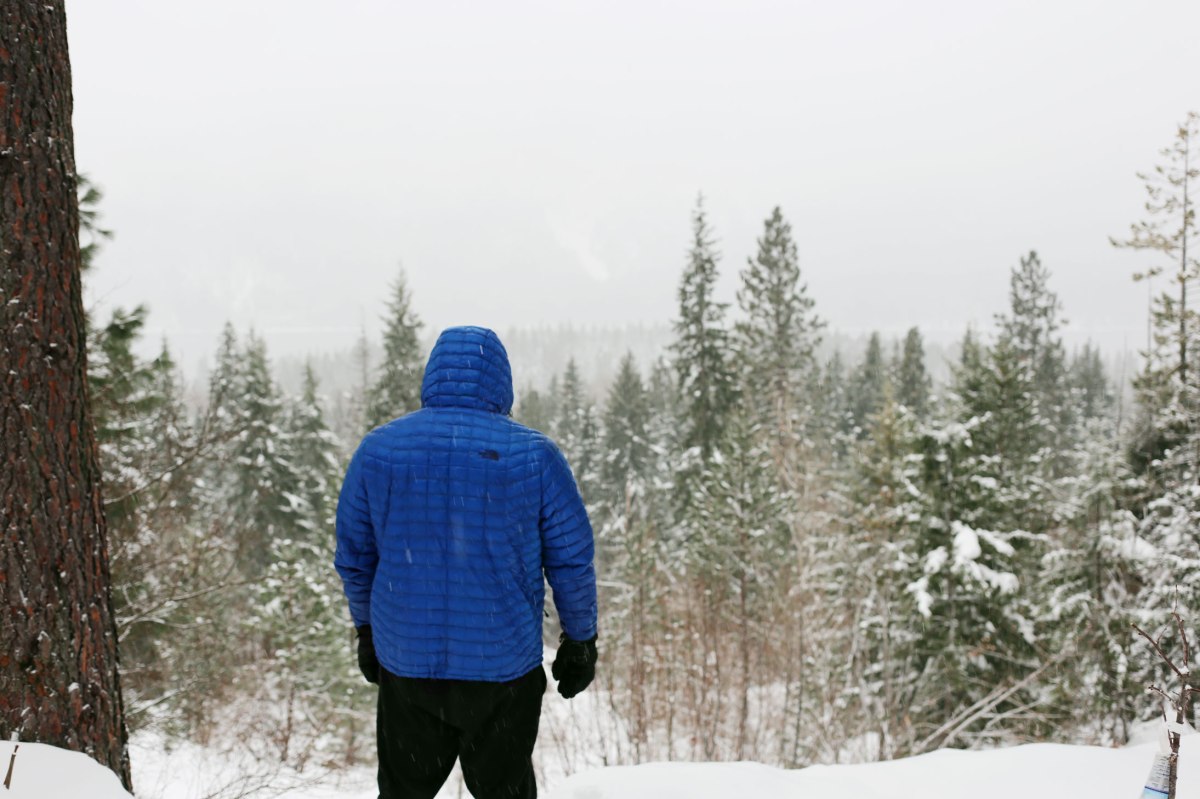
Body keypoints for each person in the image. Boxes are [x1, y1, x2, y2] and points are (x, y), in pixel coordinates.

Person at [334, 325, 598, 799]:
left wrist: (367, 630)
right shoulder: (534, 456)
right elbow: (571, 560)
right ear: (502, 382)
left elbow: (355, 557)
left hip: (408, 666)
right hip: (503, 671)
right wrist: (579, 640)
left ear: (432, 375)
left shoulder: (380, 451)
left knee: (401, 793)